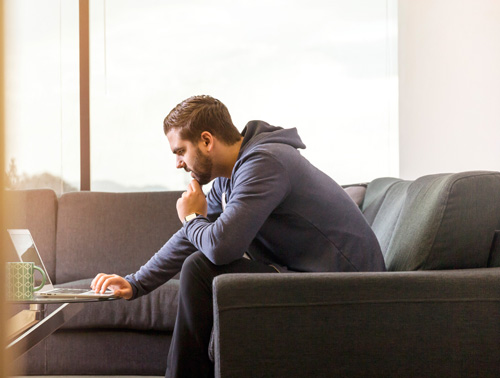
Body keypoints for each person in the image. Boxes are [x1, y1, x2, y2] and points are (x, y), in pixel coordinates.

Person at [91, 95, 386, 378]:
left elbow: (220, 247)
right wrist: (136, 282)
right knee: (198, 264)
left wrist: (193, 217)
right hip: (307, 276)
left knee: (200, 269)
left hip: (349, 287)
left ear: (206, 141)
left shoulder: (265, 163)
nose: (178, 163)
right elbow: (190, 238)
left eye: (180, 151)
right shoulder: (231, 178)